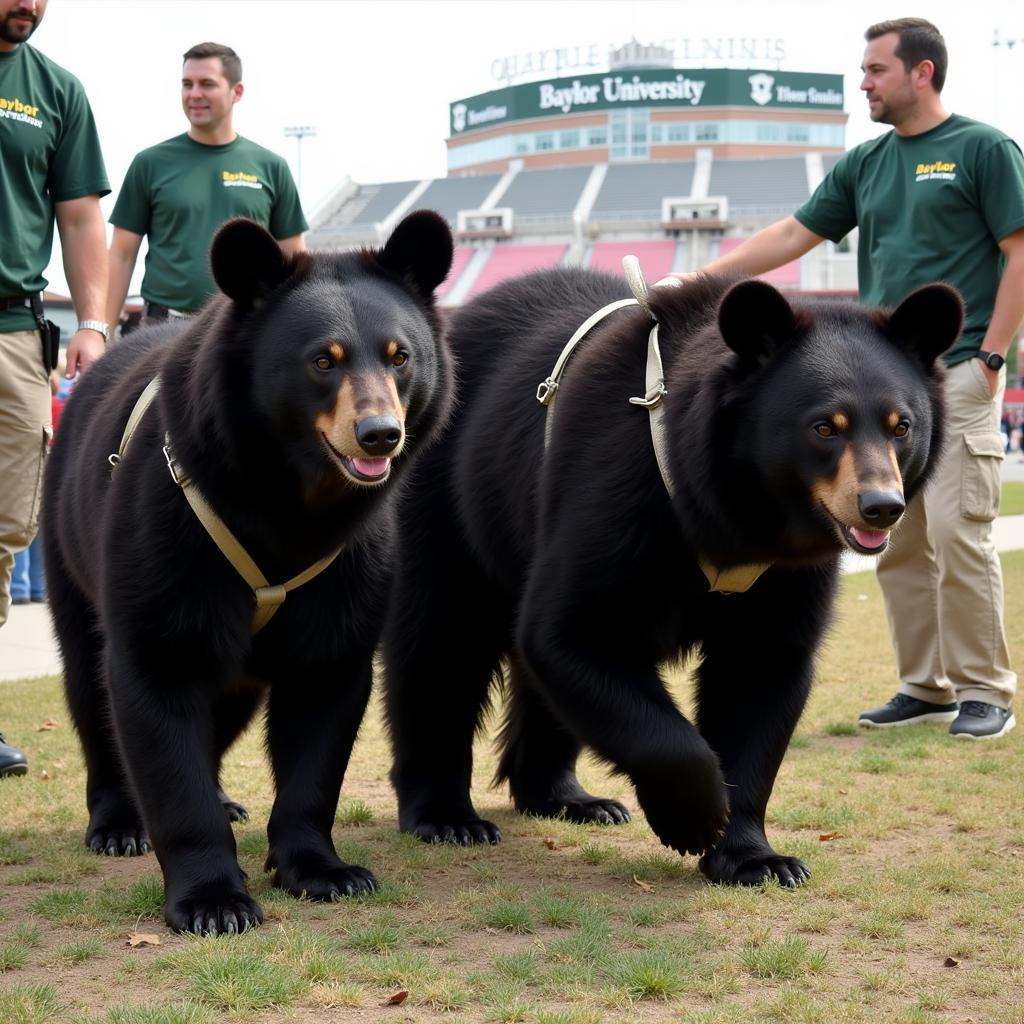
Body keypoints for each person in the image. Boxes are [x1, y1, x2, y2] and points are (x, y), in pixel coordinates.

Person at [664, 17, 1024, 740]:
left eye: (875, 70)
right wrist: (698, 279)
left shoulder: (983, 149)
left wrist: (990, 354)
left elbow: (1021, 250)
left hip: (952, 374)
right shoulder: (866, 162)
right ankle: (925, 686)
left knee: (960, 536)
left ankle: (986, 689)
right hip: (876, 380)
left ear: (922, 72)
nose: (863, 82)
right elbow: (794, 235)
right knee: (886, 537)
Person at [0, 0, 109, 777]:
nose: (30, 5)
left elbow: (77, 219)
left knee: (5, 528)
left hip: (13, 333)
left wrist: (95, 323)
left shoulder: (56, 90)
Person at [106, 42, 307, 330]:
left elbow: (294, 261)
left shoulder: (271, 167)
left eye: (207, 84)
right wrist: (100, 330)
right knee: (154, 380)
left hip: (242, 330)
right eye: (187, 84)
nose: (194, 94)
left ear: (236, 92)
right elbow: (121, 255)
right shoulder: (150, 163)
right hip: (162, 330)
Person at [10, 371, 62, 605]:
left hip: (27, 464)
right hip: (50, 466)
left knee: (18, 523)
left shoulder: (17, 402)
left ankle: (18, 586)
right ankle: (39, 587)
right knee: (38, 528)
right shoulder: (58, 405)